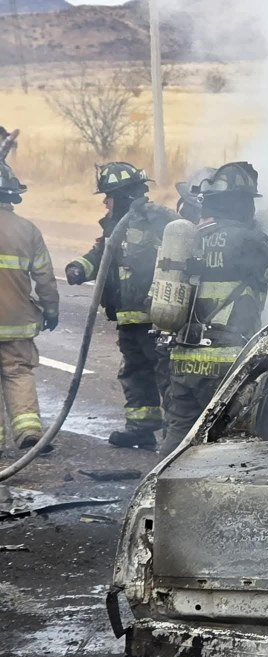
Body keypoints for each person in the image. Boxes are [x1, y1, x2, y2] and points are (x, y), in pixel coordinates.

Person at [160, 161, 268, 455]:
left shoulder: (189, 237)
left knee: (179, 438)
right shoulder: (248, 240)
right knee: (233, 445)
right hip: (228, 363)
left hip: (183, 358)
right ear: (241, 203)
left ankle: (161, 483)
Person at [65, 162, 177, 449]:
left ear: (123, 194)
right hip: (128, 318)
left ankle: (176, 434)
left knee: (166, 374)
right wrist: (78, 268)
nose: (105, 202)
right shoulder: (113, 227)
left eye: (109, 196)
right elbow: (100, 256)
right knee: (135, 371)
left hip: (155, 318)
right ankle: (140, 427)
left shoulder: (160, 220)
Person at [0, 162, 59, 455]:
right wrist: (51, 310)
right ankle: (28, 431)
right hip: (17, 322)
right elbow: (44, 277)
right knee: (18, 372)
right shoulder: (27, 230)